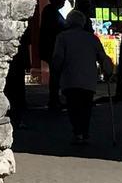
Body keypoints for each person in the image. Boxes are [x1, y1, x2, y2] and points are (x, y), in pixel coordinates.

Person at [50, 9, 116, 146]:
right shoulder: (92, 38)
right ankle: (84, 132)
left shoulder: (62, 37)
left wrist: (56, 71)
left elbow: (58, 57)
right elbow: (102, 57)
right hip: (88, 78)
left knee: (73, 106)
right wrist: (108, 70)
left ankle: (78, 132)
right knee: (86, 106)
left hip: (70, 77)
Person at [37, 0, 67, 111]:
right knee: (55, 75)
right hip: (52, 48)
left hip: (51, 48)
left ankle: (55, 99)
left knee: (56, 75)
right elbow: (59, 27)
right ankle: (54, 100)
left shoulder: (50, 11)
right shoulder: (51, 12)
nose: (64, 1)